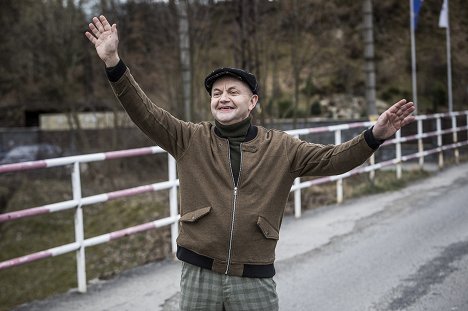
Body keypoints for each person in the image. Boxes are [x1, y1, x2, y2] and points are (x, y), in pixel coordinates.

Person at [85, 15, 415, 311]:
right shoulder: (189, 139)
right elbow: (144, 111)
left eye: (233, 91)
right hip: (199, 273)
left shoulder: (282, 147)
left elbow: (334, 159)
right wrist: (114, 62)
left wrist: (375, 135)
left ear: (252, 101)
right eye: (216, 93)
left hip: (253, 278)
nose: (223, 98)